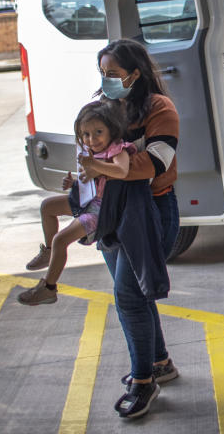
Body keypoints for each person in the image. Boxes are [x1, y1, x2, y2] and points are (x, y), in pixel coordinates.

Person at [80, 38, 180, 419]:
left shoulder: (160, 108)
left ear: (135, 74)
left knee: (129, 297)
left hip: (152, 209)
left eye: (114, 74)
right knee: (135, 295)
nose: (106, 80)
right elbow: (89, 149)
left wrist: (103, 169)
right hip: (110, 211)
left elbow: (156, 163)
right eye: (103, 74)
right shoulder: (103, 108)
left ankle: (143, 382)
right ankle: (159, 363)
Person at [19, 99, 133, 306]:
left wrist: (95, 165)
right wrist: (73, 182)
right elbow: (91, 178)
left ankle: (48, 287)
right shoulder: (89, 152)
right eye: (86, 135)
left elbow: (122, 171)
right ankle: (49, 253)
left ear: (111, 129)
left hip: (100, 210)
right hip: (85, 200)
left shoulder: (117, 150)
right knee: (48, 207)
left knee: (61, 239)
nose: (92, 139)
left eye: (98, 132)